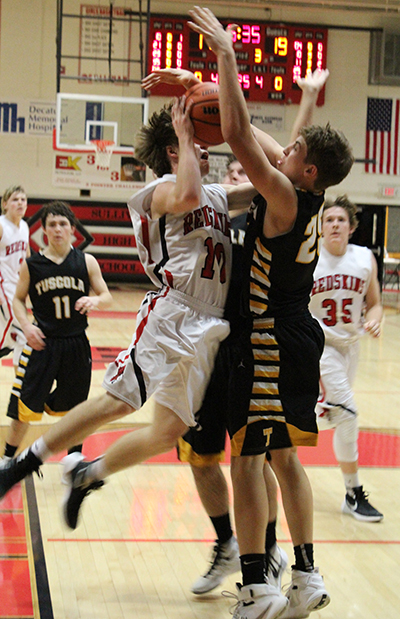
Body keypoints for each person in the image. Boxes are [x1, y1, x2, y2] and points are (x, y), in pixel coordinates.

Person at [0, 97, 256, 541]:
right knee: (119, 401)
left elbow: (269, 183)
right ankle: (23, 465)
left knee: (167, 431)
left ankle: (86, 475)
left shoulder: (216, 194)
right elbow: (188, 194)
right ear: (177, 148)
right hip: (173, 313)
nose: (209, 147)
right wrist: (185, 133)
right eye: (200, 141)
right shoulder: (155, 191)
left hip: (210, 325)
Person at [188, 7, 354, 619]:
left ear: (307, 169)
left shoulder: (283, 194)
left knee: (248, 459)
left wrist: (227, 56)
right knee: (284, 456)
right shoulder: (299, 188)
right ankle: (306, 576)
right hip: (294, 334)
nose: (285, 148)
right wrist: (197, 83)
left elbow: (236, 136)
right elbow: (255, 133)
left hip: (267, 341)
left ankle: (258, 587)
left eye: (296, 148)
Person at [142, 65, 330, 598]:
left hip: (259, 340)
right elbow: (284, 152)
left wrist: (215, 74)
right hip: (213, 340)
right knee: (230, 456)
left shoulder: (267, 195)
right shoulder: (212, 199)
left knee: (258, 458)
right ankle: (248, 554)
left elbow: (256, 143)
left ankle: (262, 571)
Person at [0, 201, 112, 466]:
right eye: (52, 224)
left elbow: (106, 295)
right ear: (44, 231)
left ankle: (73, 460)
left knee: (77, 409)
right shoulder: (33, 265)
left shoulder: (86, 261)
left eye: (63, 224)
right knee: (23, 407)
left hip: (76, 345)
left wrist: (95, 301)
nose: (58, 229)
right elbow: (17, 300)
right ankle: (6, 461)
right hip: (42, 345)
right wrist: (27, 327)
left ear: (72, 229)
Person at [309, 195, 383, 522]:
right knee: (348, 413)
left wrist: (376, 317)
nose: (335, 224)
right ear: (320, 227)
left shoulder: (365, 258)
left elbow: (375, 302)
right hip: (321, 345)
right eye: (329, 220)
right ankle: (353, 493)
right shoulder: (309, 259)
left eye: (341, 220)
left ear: (351, 227)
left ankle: (280, 435)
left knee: (335, 415)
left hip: (351, 346)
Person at [0, 185, 30, 366]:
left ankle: (19, 388)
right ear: (5, 204)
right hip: (4, 288)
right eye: (15, 200)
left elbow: (26, 259)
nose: (20, 203)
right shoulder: (2, 226)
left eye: (23, 199)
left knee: (19, 338)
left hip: (16, 287)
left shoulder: (25, 226)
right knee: (25, 332)